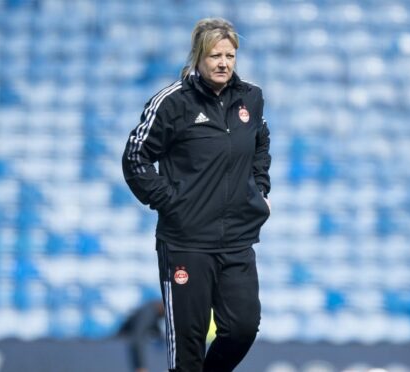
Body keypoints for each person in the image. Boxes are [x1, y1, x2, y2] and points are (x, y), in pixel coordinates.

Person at [121, 17, 271, 372]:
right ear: (198, 57)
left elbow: (261, 144)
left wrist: (261, 188)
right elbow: (135, 158)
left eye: (230, 55)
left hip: (236, 238)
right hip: (186, 241)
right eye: (215, 55)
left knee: (242, 329)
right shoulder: (172, 103)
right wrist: (172, 203)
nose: (223, 63)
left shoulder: (251, 98)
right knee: (188, 344)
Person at [117, 300, 165, 372]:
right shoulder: (147, 314)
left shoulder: (154, 316)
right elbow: (137, 338)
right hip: (120, 343)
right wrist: (141, 366)